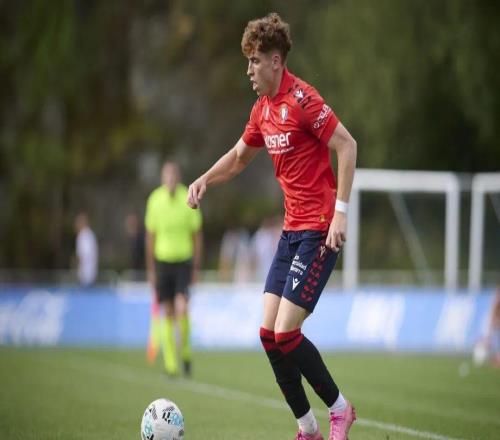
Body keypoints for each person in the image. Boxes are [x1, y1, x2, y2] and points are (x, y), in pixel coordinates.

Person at [187, 13, 357, 440]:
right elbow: (239, 158)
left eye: (255, 60)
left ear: (276, 61)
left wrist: (341, 211)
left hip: (320, 230)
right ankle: (308, 428)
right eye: (248, 61)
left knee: (286, 332)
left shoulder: (303, 100)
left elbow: (347, 145)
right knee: (268, 335)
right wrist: (205, 179)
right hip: (290, 233)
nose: (249, 70)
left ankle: (340, 410)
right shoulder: (262, 110)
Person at [145, 161, 203, 376]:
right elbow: (150, 236)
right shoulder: (154, 200)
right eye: (166, 175)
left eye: (172, 175)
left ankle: (185, 352)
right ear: (162, 178)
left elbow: (197, 234)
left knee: (182, 308)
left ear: (177, 178)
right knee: (167, 311)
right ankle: (170, 364)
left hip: (183, 262)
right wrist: (151, 269)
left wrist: (196, 267)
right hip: (163, 262)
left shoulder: (187, 197)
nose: (169, 179)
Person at [74, 212, 98, 286]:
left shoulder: (84, 235)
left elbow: (84, 254)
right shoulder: (89, 234)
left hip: (86, 272)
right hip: (89, 271)